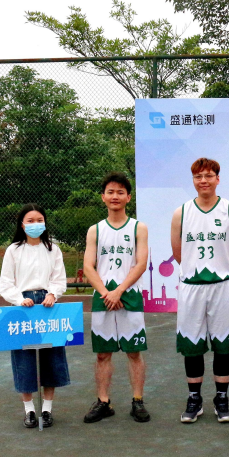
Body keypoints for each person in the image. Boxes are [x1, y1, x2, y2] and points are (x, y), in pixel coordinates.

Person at [171, 158, 229, 423]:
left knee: (223, 344)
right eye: (198, 176)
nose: (203, 180)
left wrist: (222, 269)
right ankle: (194, 399)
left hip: (222, 286)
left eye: (208, 176)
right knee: (192, 344)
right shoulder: (181, 213)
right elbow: (178, 252)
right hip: (192, 287)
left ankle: (221, 398)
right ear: (193, 180)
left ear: (218, 179)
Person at [83, 172, 150, 423]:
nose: (115, 196)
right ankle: (103, 401)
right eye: (110, 192)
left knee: (134, 352)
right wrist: (106, 293)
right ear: (103, 197)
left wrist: (119, 291)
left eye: (120, 192)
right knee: (103, 353)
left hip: (129, 295)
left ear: (128, 197)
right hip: (103, 297)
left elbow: (141, 263)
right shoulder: (95, 230)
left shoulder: (138, 228)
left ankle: (137, 400)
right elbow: (88, 266)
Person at [0, 203, 69, 428]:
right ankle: (29, 410)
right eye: (30, 221)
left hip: (48, 305)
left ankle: (47, 409)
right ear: (22, 225)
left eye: (39, 220)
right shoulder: (13, 250)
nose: (35, 224)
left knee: (52, 358)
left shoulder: (52, 249)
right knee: (24, 360)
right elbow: (6, 283)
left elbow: (59, 279)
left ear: (45, 223)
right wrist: (19, 299)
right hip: (23, 307)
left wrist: (53, 294)